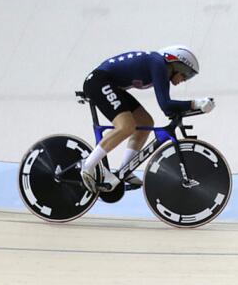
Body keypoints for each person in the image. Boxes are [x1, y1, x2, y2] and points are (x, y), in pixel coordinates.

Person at [79, 46, 214, 193]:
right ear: (175, 63)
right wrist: (196, 103)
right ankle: (88, 165)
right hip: (99, 81)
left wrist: (193, 106)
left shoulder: (159, 65)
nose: (184, 80)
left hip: (110, 85)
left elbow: (167, 107)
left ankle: (125, 170)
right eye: (186, 74)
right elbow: (166, 105)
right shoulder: (159, 65)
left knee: (145, 122)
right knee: (125, 126)